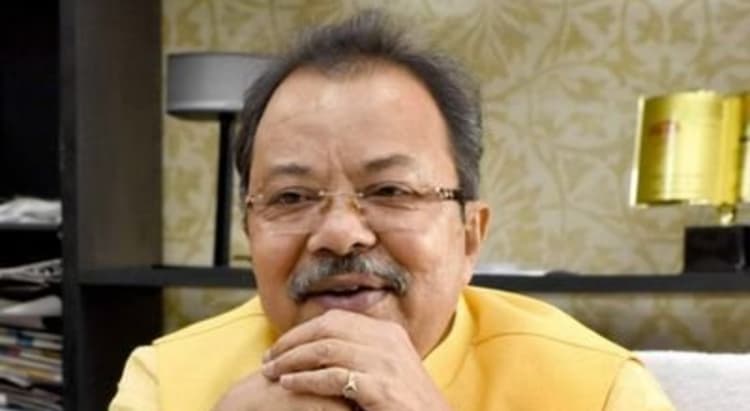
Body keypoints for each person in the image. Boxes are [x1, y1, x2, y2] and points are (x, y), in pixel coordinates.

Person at [110, 10, 674, 411]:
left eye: (389, 191)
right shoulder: (168, 384)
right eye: (291, 197)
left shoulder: (599, 390)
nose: (339, 234)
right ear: (249, 234)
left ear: (470, 237)